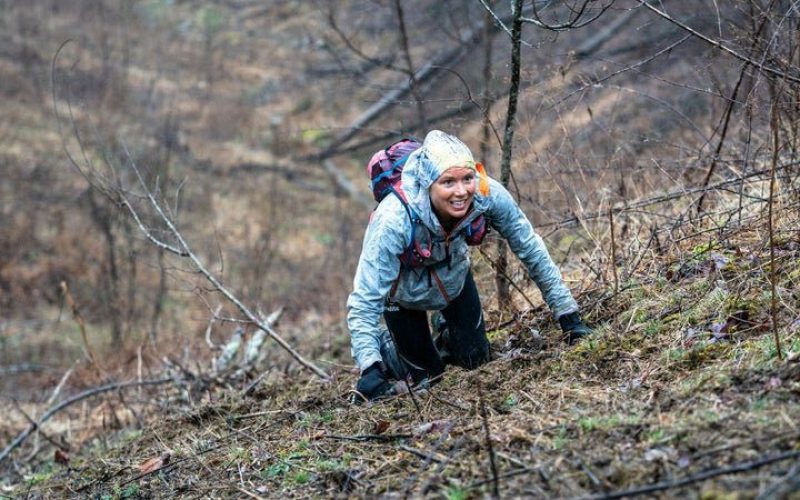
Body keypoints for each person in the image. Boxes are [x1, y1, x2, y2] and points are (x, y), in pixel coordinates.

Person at [347, 130, 591, 402]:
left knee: (475, 360)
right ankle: (388, 346)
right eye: (448, 182)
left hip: (454, 281)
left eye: (467, 178)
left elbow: (531, 249)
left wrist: (568, 315)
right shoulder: (393, 219)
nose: (461, 191)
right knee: (429, 378)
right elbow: (365, 297)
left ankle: (445, 330)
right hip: (402, 297)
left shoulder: (487, 194)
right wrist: (370, 366)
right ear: (428, 184)